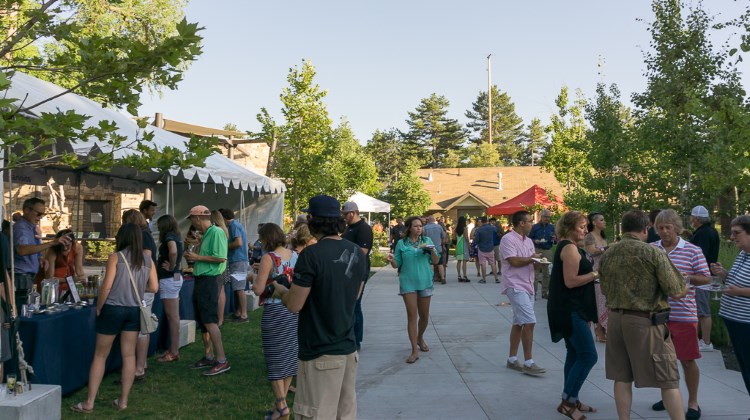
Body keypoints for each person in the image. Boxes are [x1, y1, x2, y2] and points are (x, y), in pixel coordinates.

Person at [274, 195, 367, 420]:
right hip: (347, 349)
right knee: (344, 414)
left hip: (320, 350)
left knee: (316, 414)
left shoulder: (311, 255)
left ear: (314, 221)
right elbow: (355, 295)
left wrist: (280, 290)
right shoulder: (357, 252)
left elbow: (295, 305)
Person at [599, 209, 687, 420]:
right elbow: (676, 290)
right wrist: (682, 282)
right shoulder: (652, 253)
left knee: (621, 377)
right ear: (645, 228)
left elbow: (603, 289)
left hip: (616, 320)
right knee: (668, 377)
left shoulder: (608, 253)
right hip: (645, 321)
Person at [71, 223, 158, 413]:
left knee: (100, 355)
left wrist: (100, 307)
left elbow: (107, 287)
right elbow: (154, 287)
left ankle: (89, 402)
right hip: (134, 310)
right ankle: (123, 401)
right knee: (129, 356)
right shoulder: (147, 260)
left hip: (113, 308)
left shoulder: (115, 257)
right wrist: (134, 287)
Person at [650, 209, 710, 419]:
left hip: (683, 314)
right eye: (660, 228)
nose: (664, 232)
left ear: (677, 227)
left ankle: (693, 402)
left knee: (687, 359)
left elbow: (706, 278)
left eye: (668, 227)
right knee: (663, 360)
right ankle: (668, 395)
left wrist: (686, 277)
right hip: (658, 314)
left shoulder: (692, 250)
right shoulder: (651, 249)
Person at [548, 211, 599, 420]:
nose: (585, 230)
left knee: (575, 353)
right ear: (570, 227)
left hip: (575, 308)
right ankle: (567, 402)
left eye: (586, 226)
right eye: (581, 226)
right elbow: (570, 281)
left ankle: (571, 397)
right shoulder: (569, 248)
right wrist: (596, 274)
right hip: (570, 310)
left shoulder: (572, 247)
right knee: (588, 355)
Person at [251, 223, 298, 420]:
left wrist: (252, 276)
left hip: (275, 310)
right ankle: (279, 406)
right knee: (288, 358)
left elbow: (258, 290)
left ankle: (282, 406)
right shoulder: (294, 255)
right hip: (292, 309)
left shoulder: (268, 258)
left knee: (274, 359)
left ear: (266, 239)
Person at [183, 205, 230, 376]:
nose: (192, 223)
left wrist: (197, 257)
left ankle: (222, 360)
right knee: (204, 321)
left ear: (197, 218)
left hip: (210, 280)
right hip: (202, 279)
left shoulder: (216, 232)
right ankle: (209, 355)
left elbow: (221, 258)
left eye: (192, 220)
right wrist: (196, 249)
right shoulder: (207, 234)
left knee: (210, 320)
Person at [387, 216, 440, 364]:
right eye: (416, 226)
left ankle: (420, 338)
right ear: (409, 227)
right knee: (412, 315)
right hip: (408, 282)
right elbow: (397, 264)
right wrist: (392, 260)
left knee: (424, 317)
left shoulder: (427, 242)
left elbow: (436, 261)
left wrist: (432, 252)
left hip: (425, 281)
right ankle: (414, 351)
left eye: (421, 226)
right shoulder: (401, 244)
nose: (419, 228)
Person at [500, 210, 546, 376]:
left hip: (528, 285)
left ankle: (512, 359)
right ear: (521, 223)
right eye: (529, 221)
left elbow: (531, 263)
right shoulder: (508, 239)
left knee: (519, 322)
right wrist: (533, 259)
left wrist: (539, 262)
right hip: (515, 285)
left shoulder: (529, 242)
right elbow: (513, 260)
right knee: (529, 321)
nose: (531, 225)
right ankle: (529, 362)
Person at [711, 215, 750, 398]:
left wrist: (740, 292)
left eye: (737, 233)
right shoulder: (743, 254)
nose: (732, 237)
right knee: (745, 368)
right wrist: (723, 273)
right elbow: (736, 281)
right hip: (734, 319)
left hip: (746, 323)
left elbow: (741, 289)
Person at [13, 198, 70, 306]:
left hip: (27, 276)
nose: (40, 218)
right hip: (21, 276)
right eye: (38, 214)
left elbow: (30, 248)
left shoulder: (30, 228)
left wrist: (39, 258)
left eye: (42, 215)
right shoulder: (21, 228)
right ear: (26, 210)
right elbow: (22, 250)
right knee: (23, 310)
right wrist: (52, 243)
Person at [121, 209, 156, 382]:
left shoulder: (144, 236)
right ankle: (140, 365)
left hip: (142, 289)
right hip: (139, 288)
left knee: (142, 328)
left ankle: (139, 368)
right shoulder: (145, 234)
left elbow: (146, 261)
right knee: (141, 327)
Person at [688, 205, 720, 352]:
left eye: (692, 217)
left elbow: (699, 254)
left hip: (702, 278)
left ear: (697, 218)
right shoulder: (709, 231)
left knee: (702, 311)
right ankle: (700, 340)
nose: (691, 220)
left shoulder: (703, 234)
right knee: (699, 310)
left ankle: (706, 342)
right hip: (705, 277)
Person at [342, 201, 373, 350]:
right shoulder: (349, 228)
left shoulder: (364, 228)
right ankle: (348, 335)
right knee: (348, 306)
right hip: (347, 272)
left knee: (355, 305)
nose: (343, 217)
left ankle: (357, 340)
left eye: (345, 214)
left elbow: (362, 252)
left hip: (358, 272)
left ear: (352, 213)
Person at [155, 215, 184, 363]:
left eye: (159, 225)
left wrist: (171, 266)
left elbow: (172, 251)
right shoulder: (177, 235)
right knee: (173, 316)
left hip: (169, 279)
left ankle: (173, 351)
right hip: (174, 278)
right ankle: (173, 349)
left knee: (172, 317)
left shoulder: (169, 236)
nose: (158, 227)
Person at [219, 209, 249, 323]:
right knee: (237, 287)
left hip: (238, 260)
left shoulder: (233, 226)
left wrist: (224, 247)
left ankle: (244, 315)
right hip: (237, 260)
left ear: (224, 218)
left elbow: (238, 243)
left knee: (239, 288)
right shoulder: (235, 225)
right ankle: (238, 312)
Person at [583, 213, 608, 343]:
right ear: (594, 222)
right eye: (602, 219)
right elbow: (591, 251)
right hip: (594, 271)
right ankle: (599, 330)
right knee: (598, 301)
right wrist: (607, 248)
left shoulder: (603, 237)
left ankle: (602, 329)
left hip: (605, 272)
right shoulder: (590, 236)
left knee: (604, 301)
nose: (604, 222)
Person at [210, 210, 231, 327]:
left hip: (219, 264)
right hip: (224, 263)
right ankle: (221, 319)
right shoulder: (224, 230)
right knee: (221, 291)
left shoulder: (217, 231)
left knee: (219, 291)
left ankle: (219, 319)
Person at [529, 209, 555, 299]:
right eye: (546, 217)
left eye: (549, 217)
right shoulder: (535, 227)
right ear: (541, 217)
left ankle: (545, 292)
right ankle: (533, 293)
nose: (547, 219)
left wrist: (554, 238)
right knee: (535, 272)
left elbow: (555, 239)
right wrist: (534, 240)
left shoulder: (552, 227)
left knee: (546, 272)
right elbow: (529, 238)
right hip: (537, 250)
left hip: (547, 249)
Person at [474, 216, 499, 284]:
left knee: (483, 263)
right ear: (487, 221)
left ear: (481, 221)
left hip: (482, 248)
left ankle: (484, 279)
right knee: (492, 263)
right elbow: (496, 230)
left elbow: (476, 240)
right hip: (490, 248)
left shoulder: (479, 229)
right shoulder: (491, 228)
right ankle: (496, 278)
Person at [422, 215, 446, 284]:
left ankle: (431, 278)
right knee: (440, 264)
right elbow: (443, 237)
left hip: (429, 247)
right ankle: (442, 278)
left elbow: (423, 238)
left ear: (428, 220)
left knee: (431, 263)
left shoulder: (425, 228)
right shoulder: (439, 227)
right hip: (438, 248)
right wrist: (442, 244)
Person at [453, 216, 470, 283]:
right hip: (464, 245)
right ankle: (465, 276)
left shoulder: (456, 229)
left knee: (459, 261)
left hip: (458, 245)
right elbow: (466, 237)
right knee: (464, 261)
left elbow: (454, 238)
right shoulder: (465, 228)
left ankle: (459, 276)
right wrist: (469, 245)